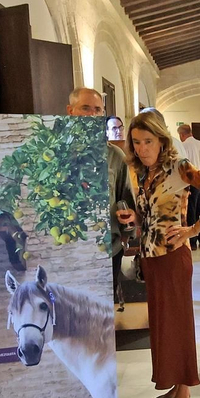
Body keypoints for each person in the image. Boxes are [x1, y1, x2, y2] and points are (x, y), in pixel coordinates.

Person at [117, 112, 200, 398]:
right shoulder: (142, 173)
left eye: (149, 141)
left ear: (161, 140)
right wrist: (135, 218)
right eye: (137, 142)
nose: (143, 147)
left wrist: (193, 228)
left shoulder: (179, 167)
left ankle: (185, 394)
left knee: (178, 325)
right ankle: (174, 387)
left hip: (174, 257)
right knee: (162, 326)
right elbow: (150, 213)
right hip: (151, 258)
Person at [69, 89, 133, 308]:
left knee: (102, 312)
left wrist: (127, 227)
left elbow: (127, 199)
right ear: (71, 111)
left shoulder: (116, 156)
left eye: (98, 110)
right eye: (85, 108)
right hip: (70, 249)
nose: (92, 115)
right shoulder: (58, 154)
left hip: (108, 250)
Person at [176, 124, 200, 250]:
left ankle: (192, 242)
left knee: (190, 213)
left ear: (181, 135)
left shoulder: (184, 146)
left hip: (191, 184)